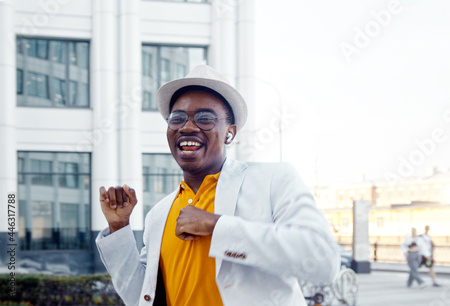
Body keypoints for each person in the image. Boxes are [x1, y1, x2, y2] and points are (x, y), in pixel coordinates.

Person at [95, 65, 340, 306]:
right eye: (177, 118)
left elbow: (323, 261)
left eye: (205, 118)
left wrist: (216, 226)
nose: (187, 127)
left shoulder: (273, 180)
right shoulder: (159, 214)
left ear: (229, 133)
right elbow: (140, 297)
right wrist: (119, 228)